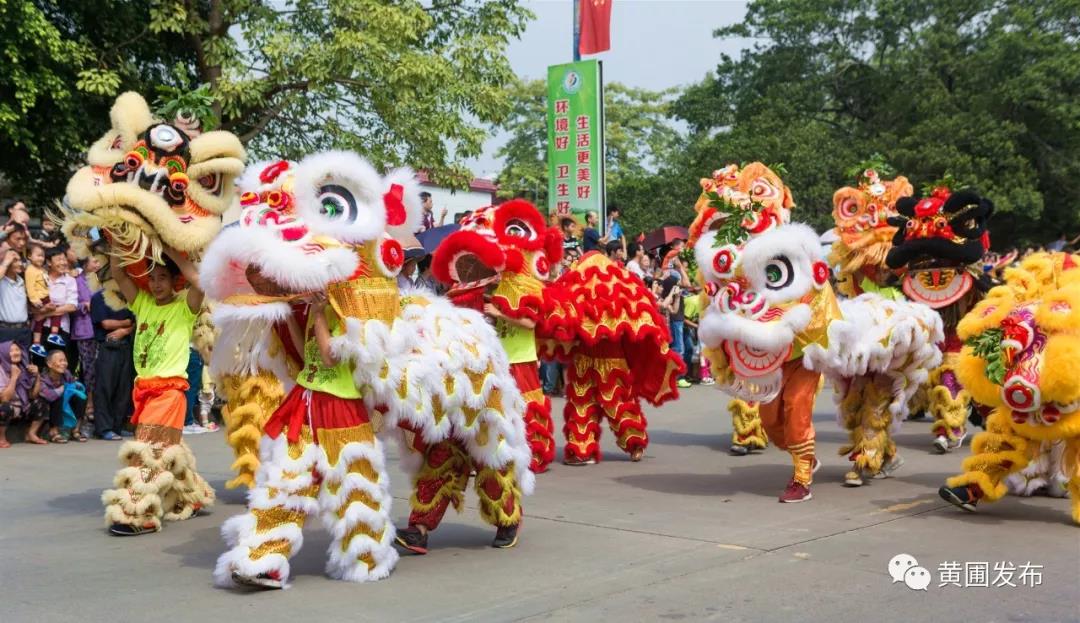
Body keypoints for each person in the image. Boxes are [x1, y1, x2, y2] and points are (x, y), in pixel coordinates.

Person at [101, 247, 215, 536]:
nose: (156, 284)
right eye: (152, 278)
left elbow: (200, 282)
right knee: (162, 449)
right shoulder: (143, 303)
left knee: (148, 451)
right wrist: (115, 237)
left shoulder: (184, 307)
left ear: (175, 280)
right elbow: (117, 273)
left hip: (169, 392)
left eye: (163, 277)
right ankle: (190, 495)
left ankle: (140, 514)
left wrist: (170, 249)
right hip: (145, 391)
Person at [90, 288, 135, 440]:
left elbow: (136, 322)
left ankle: (118, 426)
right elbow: (106, 324)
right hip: (107, 346)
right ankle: (103, 428)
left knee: (123, 388)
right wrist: (127, 323)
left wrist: (125, 330)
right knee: (105, 388)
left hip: (125, 345)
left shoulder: (127, 295)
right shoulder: (99, 297)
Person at [0, 341, 46, 447]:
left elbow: (32, 395)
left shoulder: (24, 368)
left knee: (41, 402)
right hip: (7, 406)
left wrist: (37, 376)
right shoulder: (1, 369)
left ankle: (31, 434)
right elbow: (4, 398)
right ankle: (1, 437)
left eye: (17, 350)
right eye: (11, 351)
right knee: (4, 408)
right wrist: (14, 377)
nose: (16, 353)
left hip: (21, 407)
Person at [70, 254, 98, 422]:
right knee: (87, 370)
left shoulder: (100, 280)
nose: (97, 264)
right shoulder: (77, 280)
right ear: (85, 264)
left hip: (100, 329)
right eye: (94, 261)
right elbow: (71, 303)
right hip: (84, 330)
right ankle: (88, 404)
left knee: (98, 369)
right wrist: (84, 306)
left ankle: (96, 404)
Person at [38, 349, 87, 442]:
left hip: (64, 404)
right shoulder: (43, 378)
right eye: (60, 361)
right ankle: (53, 432)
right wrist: (63, 388)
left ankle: (75, 430)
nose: (64, 363)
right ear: (49, 364)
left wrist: (75, 386)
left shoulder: (66, 373)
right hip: (47, 406)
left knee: (80, 397)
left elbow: (73, 387)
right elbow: (50, 396)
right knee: (57, 397)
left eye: (65, 360)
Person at [25, 244, 63, 356]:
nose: (41, 258)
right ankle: (54, 334)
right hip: (40, 299)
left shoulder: (41, 269)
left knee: (40, 321)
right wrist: (34, 300)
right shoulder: (30, 270)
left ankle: (36, 344)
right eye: (38, 256)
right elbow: (30, 286)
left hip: (45, 296)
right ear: (29, 256)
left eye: (42, 256)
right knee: (57, 311)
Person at [659, 275, 690, 388]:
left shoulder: (667, 299)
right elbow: (663, 305)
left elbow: (674, 310)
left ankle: (674, 377)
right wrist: (672, 292)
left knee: (670, 353)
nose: (661, 288)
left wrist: (677, 298)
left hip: (666, 333)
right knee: (672, 352)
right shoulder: (657, 298)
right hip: (659, 332)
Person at [0, 249, 29, 345]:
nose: (20, 263)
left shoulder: (23, 281)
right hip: (5, 330)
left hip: (24, 330)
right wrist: (5, 263)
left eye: (20, 260)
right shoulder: (2, 281)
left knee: (24, 359)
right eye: (15, 260)